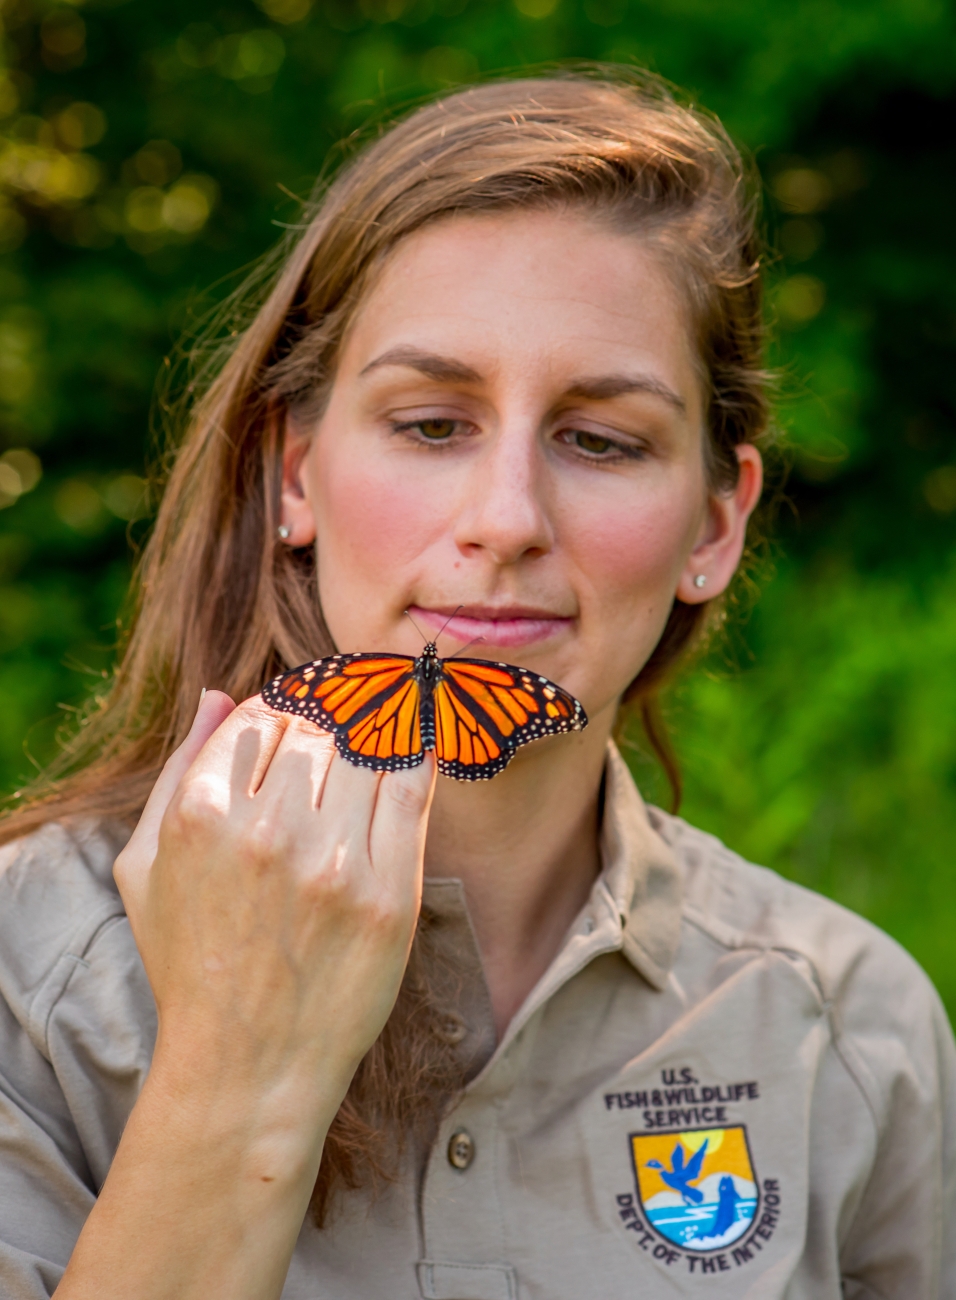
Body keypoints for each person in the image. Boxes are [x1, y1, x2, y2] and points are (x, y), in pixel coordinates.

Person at [0, 69, 951, 1300]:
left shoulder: (848, 1026)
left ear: (714, 526)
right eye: (430, 424)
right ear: (294, 475)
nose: (504, 520)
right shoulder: (30, 975)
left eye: (599, 440)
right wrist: (235, 1071)